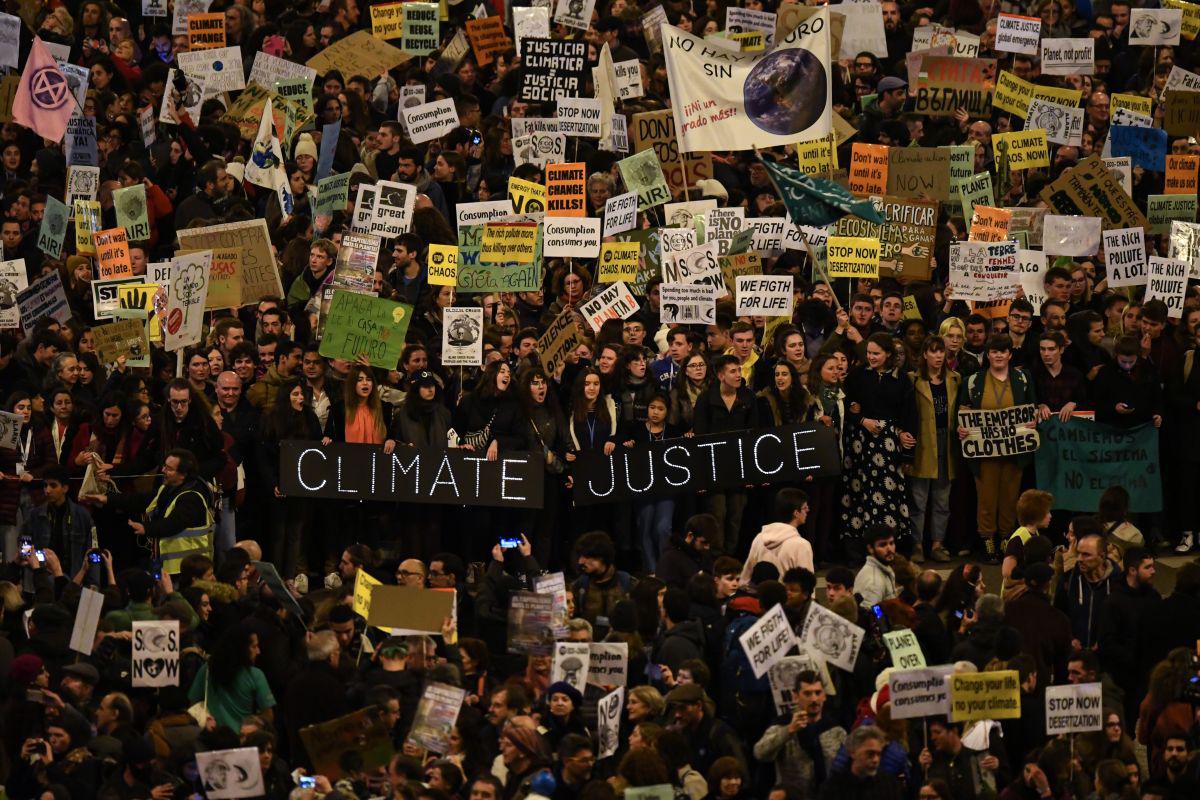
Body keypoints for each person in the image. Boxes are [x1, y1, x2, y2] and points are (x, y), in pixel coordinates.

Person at [958, 335, 1037, 564]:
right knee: (986, 497)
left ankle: (1005, 538)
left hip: (1014, 451)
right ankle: (987, 540)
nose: (999, 355)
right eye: (994, 351)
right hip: (984, 453)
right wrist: (962, 429)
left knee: (1010, 497)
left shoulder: (1022, 378)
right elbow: (963, 411)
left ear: (1010, 355)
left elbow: (1031, 407)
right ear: (988, 355)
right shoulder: (973, 381)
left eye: (1003, 351)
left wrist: (1032, 422)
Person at [754, 669, 847, 795]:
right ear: (796, 696)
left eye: (818, 693)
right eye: (807, 694)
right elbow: (760, 753)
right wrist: (788, 731)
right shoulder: (782, 725)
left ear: (824, 695)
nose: (814, 699)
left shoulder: (836, 730)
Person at [740, 488, 814, 582]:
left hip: (762, 591)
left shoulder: (760, 538)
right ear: (796, 513)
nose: (808, 510)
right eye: (805, 508)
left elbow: (746, 577)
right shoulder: (802, 545)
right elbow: (807, 583)